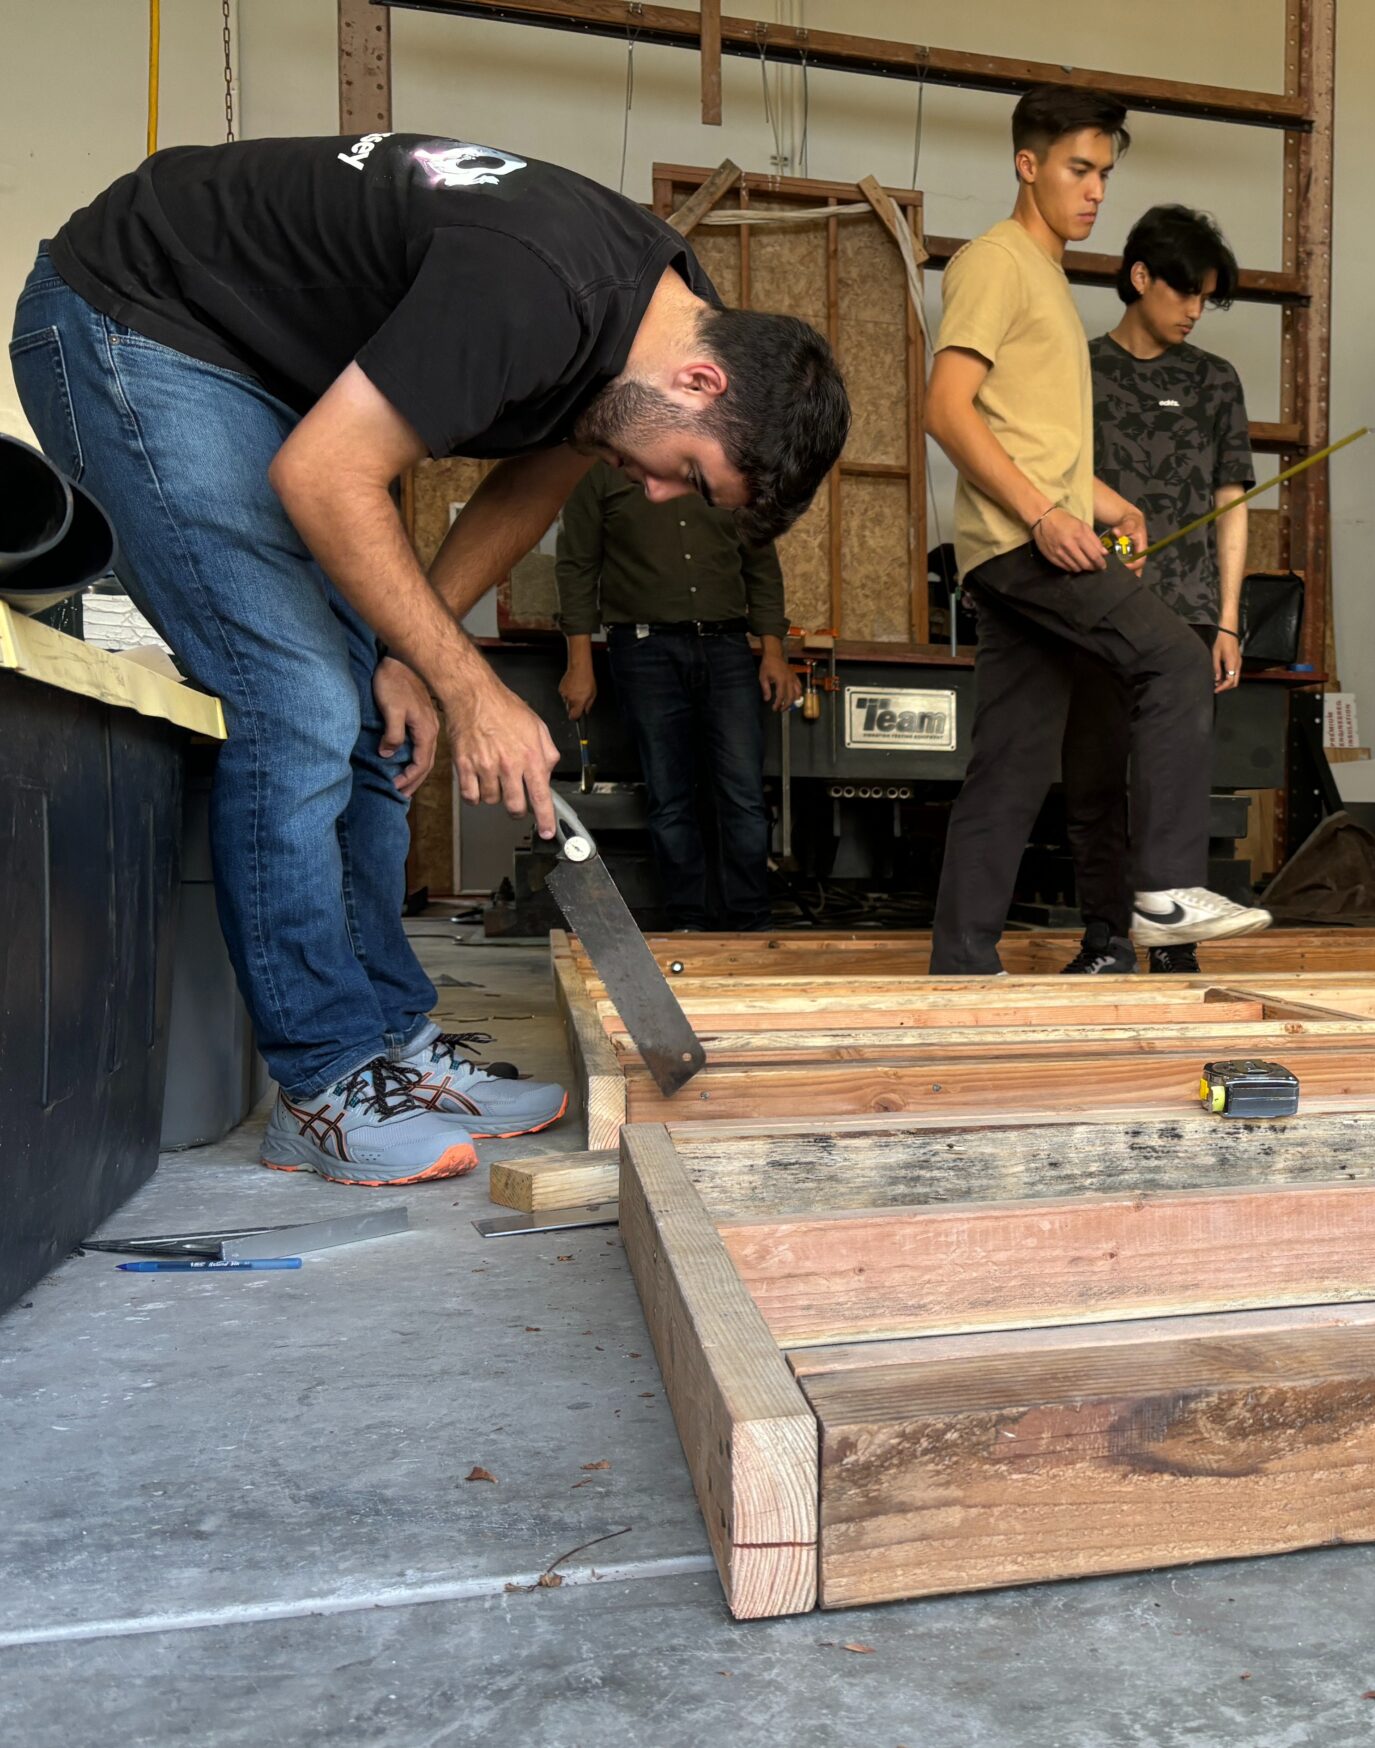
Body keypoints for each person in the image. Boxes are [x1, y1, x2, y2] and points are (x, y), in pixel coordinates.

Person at [12, 134, 848, 1185]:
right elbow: (325, 474)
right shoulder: (538, 287)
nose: (659, 494)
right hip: (133, 319)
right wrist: (470, 683)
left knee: (368, 701)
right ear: (699, 379)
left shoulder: (663, 316)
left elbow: (535, 482)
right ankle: (321, 1085)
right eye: (688, 471)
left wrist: (416, 656)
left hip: (253, 364)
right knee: (300, 703)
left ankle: (393, 1051)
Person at [923, 87, 1272, 976]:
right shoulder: (996, 262)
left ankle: (962, 966)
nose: (1094, 192)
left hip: (1020, 547)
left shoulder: (1046, 278)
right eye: (1079, 169)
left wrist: (1101, 500)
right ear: (1027, 164)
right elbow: (947, 410)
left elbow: (1027, 433)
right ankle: (1162, 891)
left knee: (1006, 767)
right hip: (1022, 546)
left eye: (1105, 174)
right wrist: (1046, 515)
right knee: (1173, 658)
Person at [1058, 205, 1257, 977]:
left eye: (1207, 297)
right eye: (1185, 293)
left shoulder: (1215, 381)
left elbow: (1230, 504)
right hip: (1094, 609)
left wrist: (1229, 620)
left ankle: (1175, 947)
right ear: (1140, 278)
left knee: (1172, 786)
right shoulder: (1077, 370)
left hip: (1187, 615)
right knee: (1095, 783)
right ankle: (1104, 940)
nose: (1196, 311)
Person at [555, 461, 800, 931]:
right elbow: (577, 567)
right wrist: (580, 662)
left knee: (743, 794)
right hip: (643, 650)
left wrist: (773, 652)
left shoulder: (726, 467)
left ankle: (750, 920)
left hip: (727, 649)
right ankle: (688, 920)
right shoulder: (601, 475)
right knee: (669, 795)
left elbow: (761, 565)